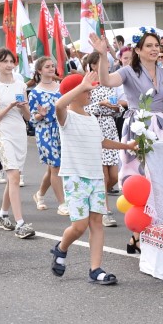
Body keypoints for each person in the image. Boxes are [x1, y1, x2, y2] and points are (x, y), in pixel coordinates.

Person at [91, 30, 163, 253]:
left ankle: (151, 235)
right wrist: (102, 55)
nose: (154, 49)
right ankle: (141, 233)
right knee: (141, 180)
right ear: (138, 50)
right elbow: (107, 81)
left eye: (157, 45)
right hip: (138, 127)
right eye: (149, 45)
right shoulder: (128, 71)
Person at [50, 72, 138, 285]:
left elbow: (102, 141)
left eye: (90, 90)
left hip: (96, 177)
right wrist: (81, 86)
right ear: (75, 92)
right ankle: (61, 248)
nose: (91, 93)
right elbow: (59, 105)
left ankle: (95, 269)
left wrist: (126, 146)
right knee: (79, 226)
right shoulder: (66, 117)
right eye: (87, 91)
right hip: (76, 177)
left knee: (97, 223)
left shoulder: (91, 117)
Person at [0, 48, 34, 239]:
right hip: (3, 134)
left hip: (19, 133)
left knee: (13, 178)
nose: (9, 65)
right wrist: (9, 107)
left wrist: (24, 108)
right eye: (4, 61)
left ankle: (3, 214)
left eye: (11, 61)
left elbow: (28, 117)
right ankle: (20, 224)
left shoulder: (21, 85)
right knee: (14, 177)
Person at [82, 52, 121, 226]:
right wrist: (100, 104)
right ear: (92, 65)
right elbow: (80, 108)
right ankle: (105, 211)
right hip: (94, 126)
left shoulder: (109, 82)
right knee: (103, 175)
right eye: (101, 63)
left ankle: (95, 196)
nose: (105, 66)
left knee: (114, 176)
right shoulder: (86, 84)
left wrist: (116, 108)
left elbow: (118, 107)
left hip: (110, 127)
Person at [28, 56, 67, 217]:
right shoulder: (35, 93)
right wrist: (41, 115)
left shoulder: (62, 88)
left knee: (52, 168)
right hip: (45, 131)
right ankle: (62, 203)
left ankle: (40, 194)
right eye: (47, 66)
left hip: (62, 129)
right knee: (56, 167)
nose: (51, 68)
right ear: (39, 70)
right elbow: (31, 118)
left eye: (52, 66)